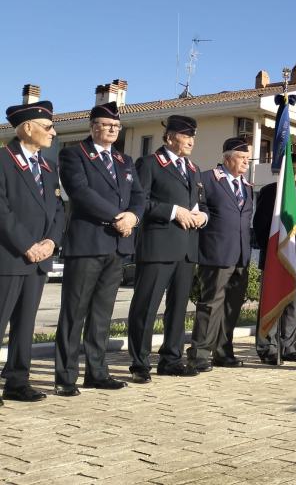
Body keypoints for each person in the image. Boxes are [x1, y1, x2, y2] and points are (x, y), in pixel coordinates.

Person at [54, 101, 145, 396]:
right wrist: (117, 218)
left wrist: (133, 216)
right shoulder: (73, 155)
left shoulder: (124, 160)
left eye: (117, 126)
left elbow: (139, 196)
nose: (113, 130)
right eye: (107, 125)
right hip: (88, 244)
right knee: (74, 311)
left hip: (117, 246)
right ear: (93, 126)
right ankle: (66, 377)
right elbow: (80, 193)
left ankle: (97, 371)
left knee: (102, 313)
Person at [128, 115, 208, 383]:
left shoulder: (194, 169)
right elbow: (139, 203)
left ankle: (171, 359)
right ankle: (139, 362)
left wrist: (202, 216)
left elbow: (201, 204)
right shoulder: (149, 164)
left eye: (193, 137)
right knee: (146, 305)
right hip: (158, 247)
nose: (191, 141)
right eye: (187, 136)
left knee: (177, 308)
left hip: (186, 248)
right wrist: (173, 211)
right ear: (171, 137)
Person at [0, 100, 65, 404]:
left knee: (26, 323)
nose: (54, 132)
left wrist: (51, 242)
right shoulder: (3, 160)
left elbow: (59, 210)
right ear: (27, 128)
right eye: (48, 127)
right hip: (10, 257)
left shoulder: (48, 167)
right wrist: (27, 245)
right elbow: (2, 211)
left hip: (40, 259)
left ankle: (17, 380)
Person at [187, 138, 254, 371]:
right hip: (215, 254)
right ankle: (199, 354)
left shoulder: (247, 186)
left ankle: (223, 352)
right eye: (242, 158)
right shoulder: (206, 180)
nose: (247, 162)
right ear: (227, 158)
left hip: (241, 256)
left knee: (232, 306)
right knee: (211, 305)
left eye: (248, 158)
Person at [255, 149, 296, 364]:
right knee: (273, 301)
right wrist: (273, 253)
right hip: (278, 259)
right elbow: (261, 227)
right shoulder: (272, 191)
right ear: (288, 171)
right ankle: (268, 347)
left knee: (294, 307)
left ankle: (288, 346)